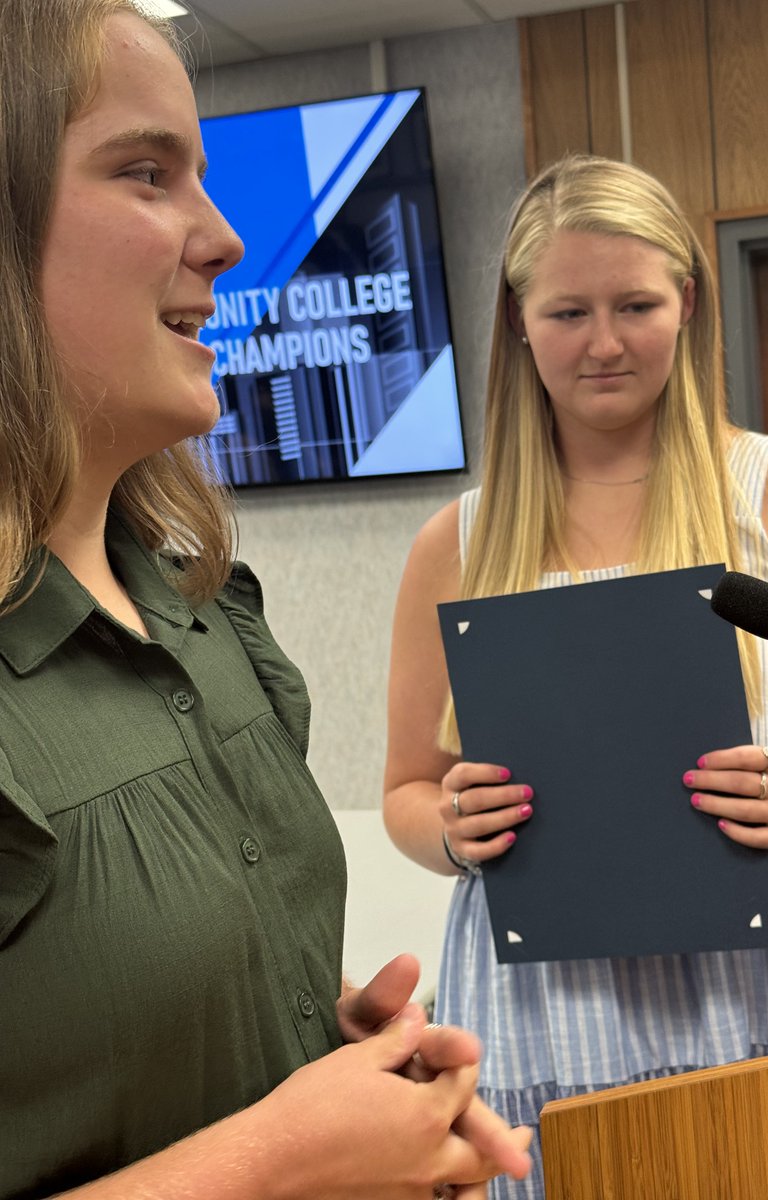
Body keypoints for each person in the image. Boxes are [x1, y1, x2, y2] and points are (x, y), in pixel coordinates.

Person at [0, 1, 534, 1196]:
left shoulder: (202, 609)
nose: (227, 238)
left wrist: (333, 1065)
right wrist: (281, 1158)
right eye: (146, 174)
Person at [383, 153, 768, 1198]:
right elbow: (404, 789)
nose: (606, 342)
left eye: (636, 304)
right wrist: (448, 829)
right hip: (548, 1005)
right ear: (519, 320)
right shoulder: (457, 543)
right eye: (569, 310)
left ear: (689, 305)